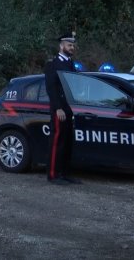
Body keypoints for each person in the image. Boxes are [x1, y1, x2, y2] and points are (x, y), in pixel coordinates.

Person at [44, 31, 82, 185]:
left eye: (73, 45)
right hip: (59, 109)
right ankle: (53, 174)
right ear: (61, 46)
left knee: (67, 143)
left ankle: (64, 173)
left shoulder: (70, 64)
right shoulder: (53, 64)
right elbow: (51, 88)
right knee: (57, 142)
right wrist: (58, 108)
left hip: (69, 109)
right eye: (69, 44)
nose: (72, 47)